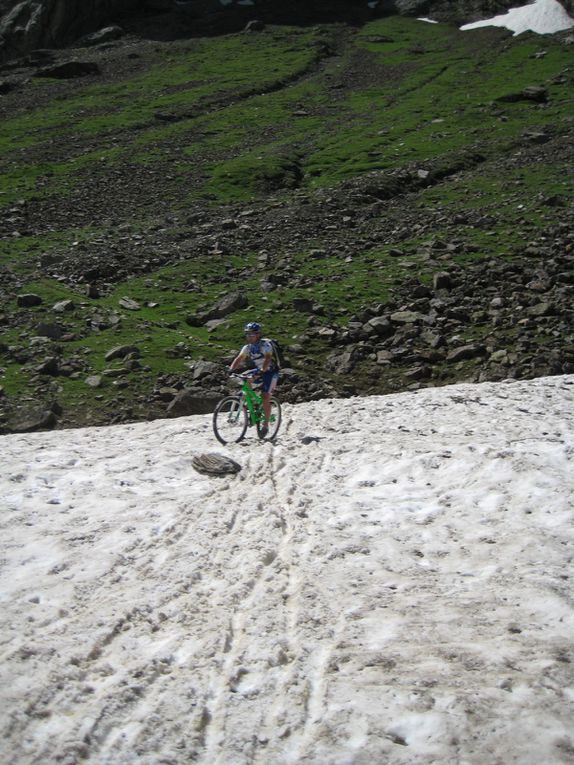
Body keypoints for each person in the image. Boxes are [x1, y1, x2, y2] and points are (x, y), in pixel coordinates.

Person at [228, 322, 279, 437]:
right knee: (246, 380)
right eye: (247, 334)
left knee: (265, 396)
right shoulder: (247, 348)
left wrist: (262, 371)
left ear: (258, 335)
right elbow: (239, 358)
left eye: (252, 334)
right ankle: (252, 404)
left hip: (271, 372)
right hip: (259, 370)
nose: (249, 337)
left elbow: (267, 359)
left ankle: (265, 425)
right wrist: (231, 369)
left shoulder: (265, 345)